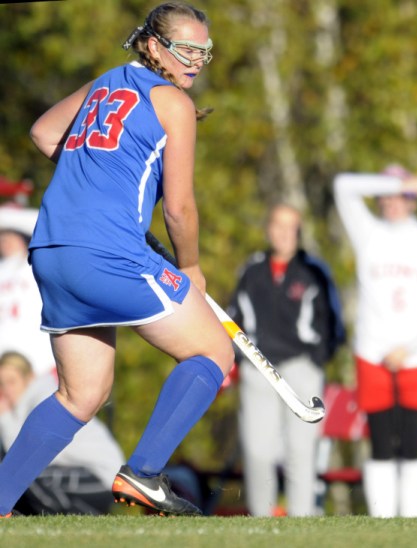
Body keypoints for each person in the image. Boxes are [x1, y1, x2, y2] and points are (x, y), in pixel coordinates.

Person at [0, 2, 234, 518]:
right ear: (153, 45)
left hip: (52, 251)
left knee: (81, 395)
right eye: (185, 49)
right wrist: (190, 267)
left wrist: (99, 173)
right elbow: (179, 208)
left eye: (204, 51)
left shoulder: (106, 82)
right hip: (107, 252)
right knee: (213, 354)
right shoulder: (171, 102)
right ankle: (144, 472)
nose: (196, 61)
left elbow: (43, 133)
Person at [333, 165, 417, 517]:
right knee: (380, 441)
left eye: (402, 195)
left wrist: (409, 347)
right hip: (373, 351)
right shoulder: (368, 232)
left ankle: (413, 524)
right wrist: (395, 182)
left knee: (415, 442)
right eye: (386, 194)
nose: (393, 201)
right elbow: (343, 184)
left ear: (413, 201)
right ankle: (381, 521)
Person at [227, 203, 345, 517]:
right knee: (258, 449)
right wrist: (238, 359)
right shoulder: (251, 270)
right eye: (277, 225)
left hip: (301, 367)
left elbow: (334, 322)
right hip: (258, 368)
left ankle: (301, 519)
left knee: (301, 449)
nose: (283, 233)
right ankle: (261, 518)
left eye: (290, 226)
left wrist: (317, 359)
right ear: (268, 228)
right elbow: (232, 318)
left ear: (299, 231)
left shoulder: (314, 271)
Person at [0, 351, 125, 515]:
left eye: (11, 382)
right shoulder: (23, 405)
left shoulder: (42, 399)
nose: (5, 390)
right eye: (1, 384)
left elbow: (23, 454)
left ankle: (71, 515)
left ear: (29, 378)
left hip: (101, 477)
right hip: (74, 475)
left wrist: (3, 416)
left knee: (26, 473)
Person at [0, 206, 56, 377]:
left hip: (38, 360)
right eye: (2, 238)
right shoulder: (3, 271)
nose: (5, 243)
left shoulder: (37, 266)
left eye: (10, 238)